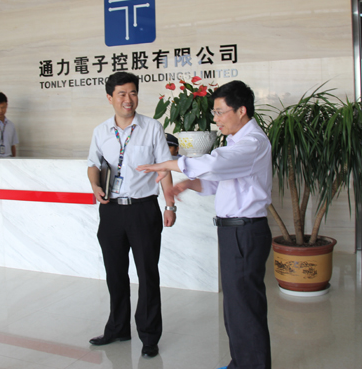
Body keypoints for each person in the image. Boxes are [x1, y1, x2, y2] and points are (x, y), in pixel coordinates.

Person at [137, 80, 272, 369]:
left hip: (245, 232)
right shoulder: (237, 142)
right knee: (236, 307)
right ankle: (240, 363)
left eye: (220, 112)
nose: (216, 119)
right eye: (215, 113)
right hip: (235, 231)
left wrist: (168, 164)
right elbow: (217, 181)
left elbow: (214, 164)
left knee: (244, 308)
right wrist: (187, 184)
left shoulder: (253, 142)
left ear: (241, 111)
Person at [87, 71, 177, 359]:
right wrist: (94, 185)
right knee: (114, 273)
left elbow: (164, 168)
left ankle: (149, 336)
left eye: (133, 93)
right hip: (111, 210)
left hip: (143, 210)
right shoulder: (101, 131)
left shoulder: (152, 128)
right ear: (110, 97)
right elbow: (93, 164)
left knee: (147, 275)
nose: (128, 99)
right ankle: (118, 328)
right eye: (122, 94)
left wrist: (170, 205)